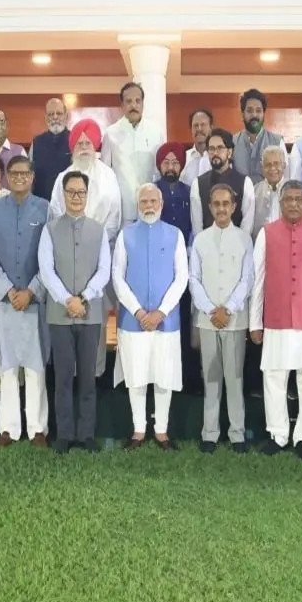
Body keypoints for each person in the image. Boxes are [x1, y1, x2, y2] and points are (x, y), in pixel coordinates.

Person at [249, 180, 302, 458]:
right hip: (276, 318)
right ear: (281, 203)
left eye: (299, 199)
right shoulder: (266, 233)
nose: (294, 204)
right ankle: (278, 434)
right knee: (274, 377)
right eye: (289, 199)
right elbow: (257, 281)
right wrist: (255, 322)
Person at [0, 155, 52, 448]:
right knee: (8, 366)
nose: (20, 178)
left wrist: (31, 291)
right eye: (14, 174)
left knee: (36, 366)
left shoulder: (46, 209)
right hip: (5, 302)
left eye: (25, 173)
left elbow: (50, 259)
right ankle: (8, 428)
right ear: (7, 178)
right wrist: (9, 291)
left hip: (35, 301)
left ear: (32, 177)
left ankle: (37, 429)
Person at [39, 170, 112, 454]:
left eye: (81, 192)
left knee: (87, 378)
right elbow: (46, 271)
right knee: (63, 377)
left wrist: (83, 298)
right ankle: (64, 434)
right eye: (71, 192)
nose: (76, 197)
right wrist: (67, 300)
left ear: (87, 195)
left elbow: (104, 271)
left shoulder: (99, 230)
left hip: (90, 313)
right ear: (63, 194)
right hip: (59, 315)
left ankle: (86, 434)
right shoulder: (50, 229)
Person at [113, 183, 189, 449]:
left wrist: (160, 312)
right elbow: (117, 277)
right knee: (136, 376)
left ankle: (161, 430)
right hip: (133, 321)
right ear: (137, 205)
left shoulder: (175, 235)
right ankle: (138, 429)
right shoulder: (125, 235)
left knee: (163, 375)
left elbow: (182, 277)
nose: (148, 206)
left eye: (153, 201)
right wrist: (138, 311)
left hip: (165, 321)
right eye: (144, 201)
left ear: (161, 204)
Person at [189, 184, 253, 453]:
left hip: (234, 319)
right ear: (210, 207)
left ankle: (237, 434)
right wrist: (209, 309)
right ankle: (210, 433)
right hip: (207, 320)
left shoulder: (245, 239)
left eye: (226, 203)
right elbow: (194, 279)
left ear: (234, 206)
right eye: (216, 204)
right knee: (211, 377)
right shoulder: (200, 240)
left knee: (235, 377)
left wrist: (228, 309)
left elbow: (247, 279)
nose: (222, 208)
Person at [47, 118, 122, 239]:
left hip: (102, 241)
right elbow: (55, 210)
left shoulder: (108, 175)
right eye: (79, 144)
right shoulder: (63, 177)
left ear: (94, 146)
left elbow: (115, 213)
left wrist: (100, 239)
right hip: (68, 240)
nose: (84, 148)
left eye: (87, 143)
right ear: (73, 148)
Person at [103, 81, 163, 220]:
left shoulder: (156, 132)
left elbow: (159, 171)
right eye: (128, 101)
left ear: (143, 104)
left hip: (150, 208)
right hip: (122, 208)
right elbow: (106, 174)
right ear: (122, 105)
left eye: (137, 101)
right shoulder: (111, 134)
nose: (133, 106)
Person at [192, 128, 255, 234]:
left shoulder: (245, 182)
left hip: (237, 242)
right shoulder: (198, 184)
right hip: (207, 242)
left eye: (220, 148)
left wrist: (239, 242)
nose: (215, 153)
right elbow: (197, 226)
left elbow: (247, 224)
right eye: (211, 149)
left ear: (229, 152)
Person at [233, 89, 283, 182]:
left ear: (263, 114)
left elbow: (284, 177)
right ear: (242, 114)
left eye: (258, 111)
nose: (254, 115)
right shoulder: (232, 142)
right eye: (249, 111)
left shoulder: (278, 141)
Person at [29, 97, 71, 202]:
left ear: (66, 116)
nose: (55, 117)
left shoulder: (74, 141)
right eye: (51, 114)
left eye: (59, 113)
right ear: (45, 118)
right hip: (40, 204)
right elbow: (29, 176)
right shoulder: (36, 142)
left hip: (67, 204)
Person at [153, 142, 194, 243]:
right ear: (159, 165)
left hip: (184, 246)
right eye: (166, 163)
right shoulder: (152, 191)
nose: (170, 167)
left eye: (175, 163)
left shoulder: (189, 191)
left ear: (181, 165)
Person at [251, 144, 289, 236]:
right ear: (262, 167)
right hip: (261, 242)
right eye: (268, 165)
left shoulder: (295, 190)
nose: (272, 168)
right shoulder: (254, 191)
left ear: (284, 165)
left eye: (276, 164)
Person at [179, 108, 214, 186]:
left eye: (203, 125)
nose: (199, 129)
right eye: (195, 125)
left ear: (211, 128)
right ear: (191, 129)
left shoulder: (217, 157)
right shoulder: (183, 158)